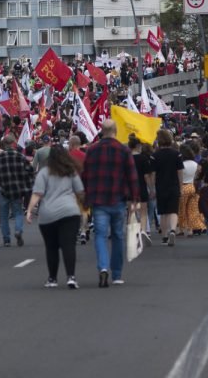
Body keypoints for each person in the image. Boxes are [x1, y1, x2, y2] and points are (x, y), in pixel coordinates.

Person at [80, 118, 139, 287]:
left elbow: (85, 175)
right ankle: (117, 274)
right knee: (118, 236)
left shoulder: (92, 151)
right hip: (118, 198)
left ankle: (103, 267)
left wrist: (85, 197)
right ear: (116, 131)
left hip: (98, 200)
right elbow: (132, 176)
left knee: (100, 235)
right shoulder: (123, 150)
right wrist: (134, 199)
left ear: (101, 130)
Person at [26, 144, 85, 289]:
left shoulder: (44, 173)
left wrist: (29, 211)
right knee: (68, 245)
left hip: (48, 214)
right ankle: (71, 276)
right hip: (70, 212)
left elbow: (37, 194)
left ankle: (52, 278)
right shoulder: (71, 171)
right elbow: (80, 191)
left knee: (51, 247)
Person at [0, 134, 34, 247]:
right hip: (17, 189)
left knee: (4, 215)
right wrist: (25, 183)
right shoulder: (20, 156)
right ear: (13, 144)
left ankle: (6, 239)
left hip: (4, 189)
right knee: (18, 212)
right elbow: (30, 170)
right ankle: (18, 230)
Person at [178, 143, 202, 237]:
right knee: (191, 209)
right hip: (192, 186)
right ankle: (190, 229)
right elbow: (197, 176)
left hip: (183, 187)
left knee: (181, 209)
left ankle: (181, 229)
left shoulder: (181, 164)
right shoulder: (195, 164)